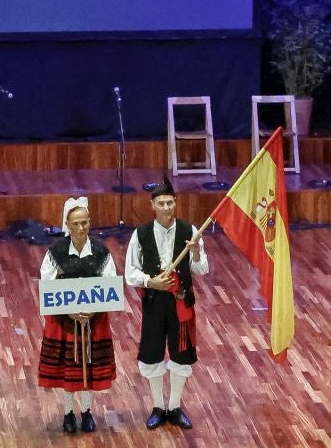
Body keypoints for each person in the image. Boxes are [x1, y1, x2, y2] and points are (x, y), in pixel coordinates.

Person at [125, 180, 209, 430]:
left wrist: (194, 252)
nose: (166, 207)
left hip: (181, 303)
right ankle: (157, 406)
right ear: (152, 205)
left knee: (181, 354)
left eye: (170, 202)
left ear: (175, 203)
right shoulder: (140, 234)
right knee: (152, 352)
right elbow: (130, 273)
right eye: (160, 203)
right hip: (154, 303)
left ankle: (174, 406)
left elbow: (202, 269)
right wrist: (151, 282)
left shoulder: (189, 230)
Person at [38, 196, 117, 434]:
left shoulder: (101, 251)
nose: (81, 228)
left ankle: (87, 411)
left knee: (88, 365)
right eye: (76, 224)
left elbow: (110, 283)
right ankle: (68, 413)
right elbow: (47, 282)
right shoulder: (56, 251)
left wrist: (93, 309)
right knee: (68, 367)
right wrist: (69, 310)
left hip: (94, 319)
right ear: (67, 225)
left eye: (85, 222)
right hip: (64, 321)